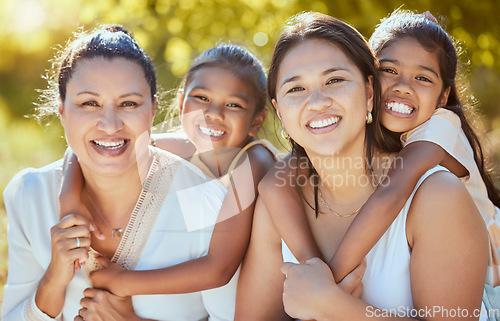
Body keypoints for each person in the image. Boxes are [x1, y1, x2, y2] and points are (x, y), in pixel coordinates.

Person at [236, 11, 488, 320]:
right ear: (279, 110)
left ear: (370, 94)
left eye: (335, 80)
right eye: (295, 89)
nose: (317, 101)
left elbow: (392, 193)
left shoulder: (436, 194)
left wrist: (332, 304)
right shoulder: (280, 200)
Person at [2, 25, 244, 321]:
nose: (110, 123)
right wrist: (53, 280)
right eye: (89, 103)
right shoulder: (29, 194)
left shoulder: (207, 204)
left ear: (153, 109)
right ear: (62, 110)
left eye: (128, 103)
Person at [57, 43, 277, 313]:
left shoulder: (255, 161)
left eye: (234, 104)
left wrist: (124, 282)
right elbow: (90, 147)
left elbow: (219, 268)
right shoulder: (182, 147)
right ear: (182, 102)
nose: (214, 113)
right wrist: (69, 200)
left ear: (257, 120)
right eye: (202, 98)